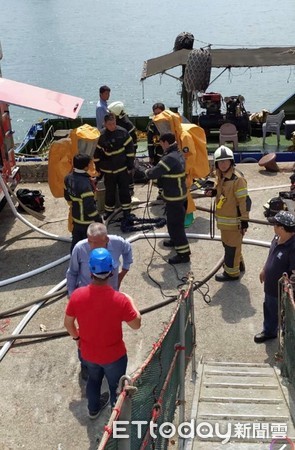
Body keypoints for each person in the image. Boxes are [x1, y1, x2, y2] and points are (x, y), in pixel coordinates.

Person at [64, 248, 141, 418]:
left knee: (93, 380)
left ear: (90, 270)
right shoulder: (120, 300)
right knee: (116, 387)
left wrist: (77, 338)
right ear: (112, 270)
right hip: (114, 355)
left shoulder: (77, 296)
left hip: (88, 352)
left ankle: (93, 409)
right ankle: (116, 419)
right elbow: (136, 325)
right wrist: (132, 302)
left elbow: (68, 323)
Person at [205, 145, 251, 281]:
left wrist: (244, 221)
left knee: (231, 248)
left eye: (226, 161)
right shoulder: (222, 175)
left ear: (231, 162)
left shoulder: (238, 180)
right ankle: (239, 265)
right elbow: (221, 190)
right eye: (220, 162)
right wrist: (213, 191)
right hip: (225, 221)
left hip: (234, 222)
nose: (223, 164)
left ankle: (231, 273)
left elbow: (244, 202)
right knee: (230, 244)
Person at [145, 132, 191, 264]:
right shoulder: (178, 153)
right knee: (175, 222)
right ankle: (174, 240)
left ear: (165, 142)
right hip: (180, 195)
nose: (160, 145)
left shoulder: (169, 158)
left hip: (174, 197)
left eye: (161, 143)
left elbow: (155, 173)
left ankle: (183, 254)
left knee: (175, 225)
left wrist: (146, 172)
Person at [254, 211, 295, 343]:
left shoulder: (293, 248)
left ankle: (288, 340)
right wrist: (264, 269)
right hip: (271, 288)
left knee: (286, 316)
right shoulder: (277, 238)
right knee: (270, 309)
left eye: (275, 225)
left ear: (282, 228)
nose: (273, 227)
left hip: (284, 292)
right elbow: (271, 253)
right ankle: (269, 332)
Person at [66, 222, 133, 296]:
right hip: (88, 296)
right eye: (90, 241)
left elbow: (127, 248)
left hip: (110, 294)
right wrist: (71, 295)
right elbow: (72, 273)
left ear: (106, 239)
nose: (92, 245)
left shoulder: (118, 242)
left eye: (96, 242)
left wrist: (123, 271)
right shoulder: (80, 248)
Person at [94, 113, 135, 220]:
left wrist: (130, 166)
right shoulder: (101, 136)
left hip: (122, 169)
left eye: (114, 123)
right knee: (109, 191)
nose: (112, 126)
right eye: (109, 124)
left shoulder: (123, 133)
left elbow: (130, 151)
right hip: (108, 171)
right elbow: (97, 154)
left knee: (124, 191)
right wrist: (98, 170)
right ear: (104, 124)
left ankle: (126, 211)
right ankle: (109, 211)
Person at [64, 154, 102, 253]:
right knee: (89, 248)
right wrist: (98, 219)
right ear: (86, 167)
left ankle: (74, 263)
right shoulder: (85, 185)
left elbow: (67, 196)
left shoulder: (68, 178)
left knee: (76, 245)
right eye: (90, 164)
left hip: (76, 218)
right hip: (86, 221)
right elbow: (89, 207)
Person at [108, 101, 138, 195]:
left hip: (126, 152)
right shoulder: (118, 122)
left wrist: (130, 156)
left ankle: (130, 188)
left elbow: (133, 142)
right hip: (120, 152)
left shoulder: (126, 124)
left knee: (128, 170)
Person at [147, 103, 166, 199]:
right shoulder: (152, 126)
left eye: (159, 113)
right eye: (155, 114)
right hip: (158, 154)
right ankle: (161, 191)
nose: (157, 116)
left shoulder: (169, 123)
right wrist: (150, 156)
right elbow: (150, 143)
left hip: (170, 153)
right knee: (160, 174)